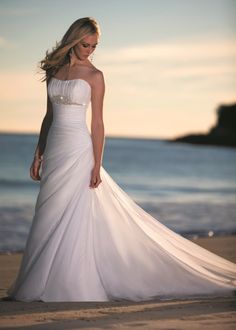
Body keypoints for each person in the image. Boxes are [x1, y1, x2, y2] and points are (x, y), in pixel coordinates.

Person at [7, 17, 236, 302]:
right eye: (84, 45)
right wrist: (38, 152)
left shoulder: (95, 76)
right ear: (73, 40)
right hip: (55, 148)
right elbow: (48, 116)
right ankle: (36, 282)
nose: (89, 50)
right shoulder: (55, 70)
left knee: (74, 213)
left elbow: (99, 124)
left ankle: (70, 284)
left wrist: (96, 164)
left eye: (94, 46)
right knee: (48, 211)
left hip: (80, 149)